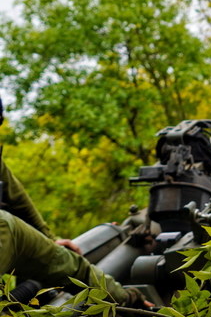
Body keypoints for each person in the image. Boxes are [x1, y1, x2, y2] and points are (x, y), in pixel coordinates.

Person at [0, 98, 143, 306]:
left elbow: (17, 199)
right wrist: (127, 298)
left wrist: (48, 239)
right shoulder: (5, 226)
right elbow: (70, 267)